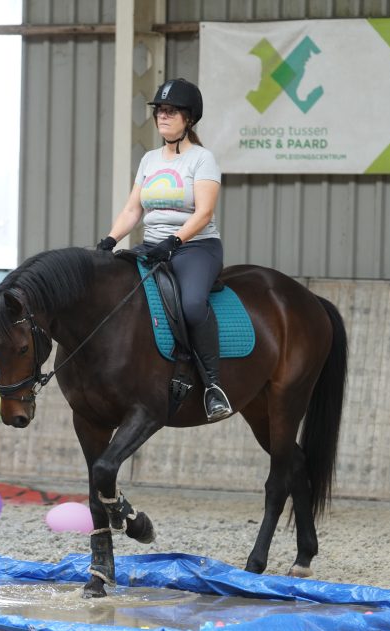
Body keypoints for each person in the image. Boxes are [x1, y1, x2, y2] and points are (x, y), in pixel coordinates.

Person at [96, 78, 231, 422]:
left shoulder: (202, 159)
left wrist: (175, 241)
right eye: (159, 111)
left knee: (192, 304)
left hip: (195, 247)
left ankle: (213, 385)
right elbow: (133, 210)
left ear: (189, 118)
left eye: (171, 111)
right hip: (153, 246)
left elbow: (204, 213)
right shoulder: (149, 160)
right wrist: (110, 240)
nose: (163, 116)